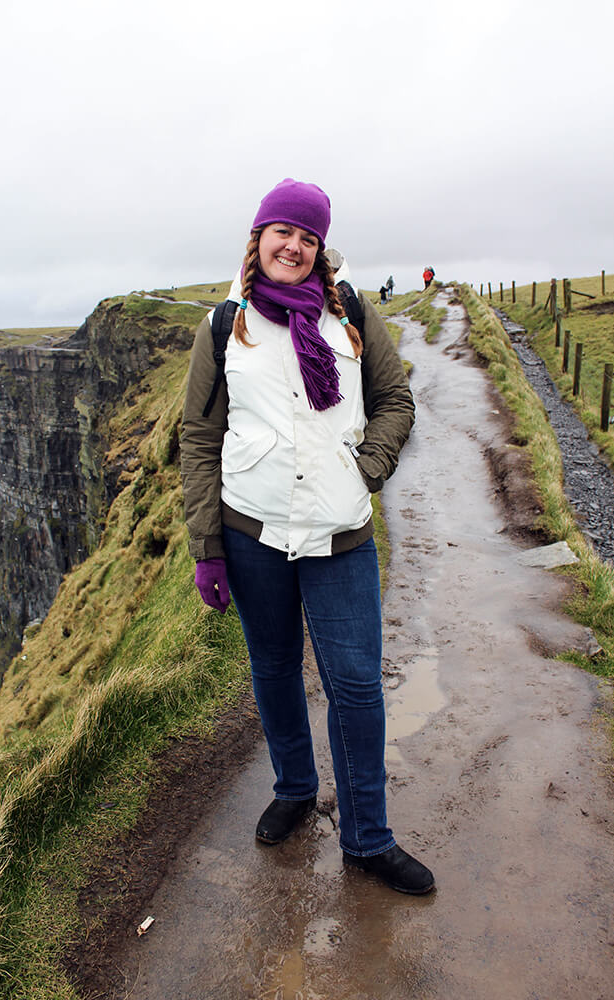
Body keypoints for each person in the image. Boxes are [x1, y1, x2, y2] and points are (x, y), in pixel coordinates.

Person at [180, 178, 434, 895]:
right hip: (250, 528)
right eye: (281, 231)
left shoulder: (349, 311)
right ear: (257, 239)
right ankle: (293, 788)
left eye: (307, 236)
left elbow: (395, 399)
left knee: (355, 687)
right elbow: (198, 436)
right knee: (273, 666)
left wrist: (368, 467)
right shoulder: (223, 325)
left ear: (320, 249)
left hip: (340, 531)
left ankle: (368, 838)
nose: (292, 245)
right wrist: (207, 546)